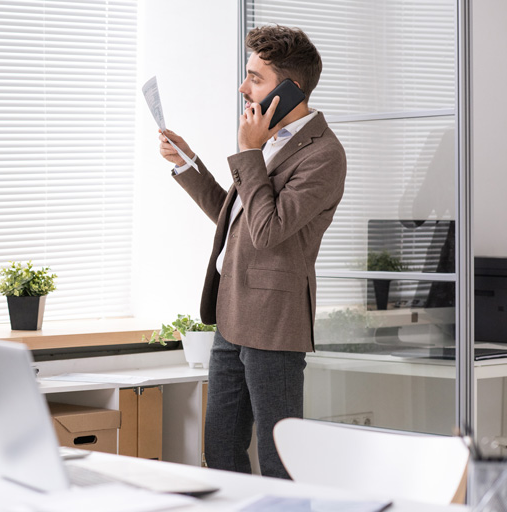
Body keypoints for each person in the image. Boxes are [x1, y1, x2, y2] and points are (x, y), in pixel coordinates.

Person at [157, 25, 347, 478]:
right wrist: (188, 164)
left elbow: (268, 230)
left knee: (281, 460)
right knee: (220, 451)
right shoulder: (271, 144)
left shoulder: (323, 154)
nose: (243, 88)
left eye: (255, 78)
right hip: (233, 313)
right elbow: (237, 217)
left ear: (289, 88)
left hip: (275, 324)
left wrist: (249, 151)